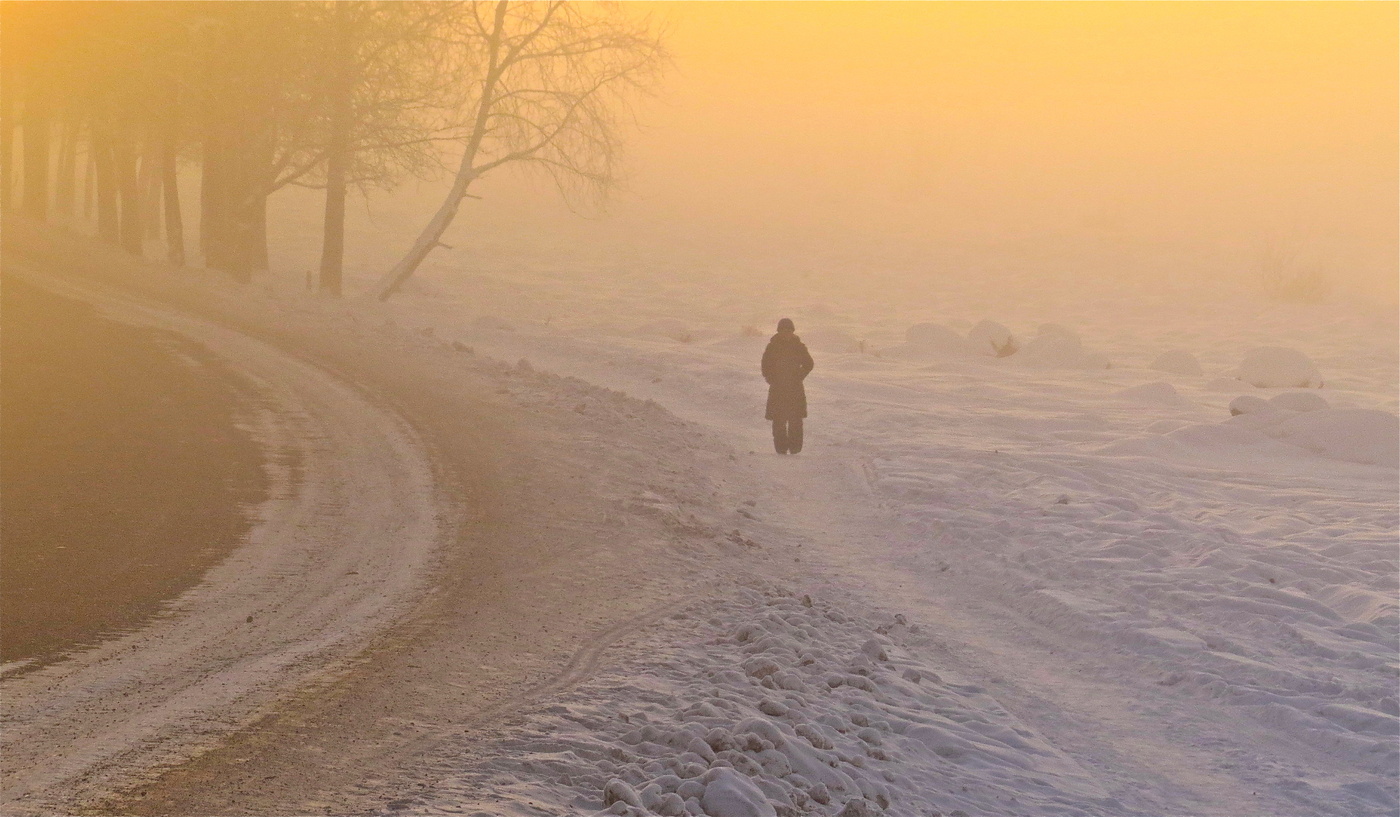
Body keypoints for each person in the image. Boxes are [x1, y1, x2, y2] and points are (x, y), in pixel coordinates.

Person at [761, 318, 814, 454]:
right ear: (779, 331)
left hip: (795, 389)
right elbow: (765, 365)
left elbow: (809, 363)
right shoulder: (772, 346)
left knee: (795, 419)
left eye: (789, 331)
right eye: (783, 331)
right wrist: (771, 378)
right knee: (779, 419)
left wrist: (799, 376)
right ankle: (781, 448)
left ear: (792, 332)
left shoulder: (798, 346)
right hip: (778, 388)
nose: (786, 333)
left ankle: (795, 449)